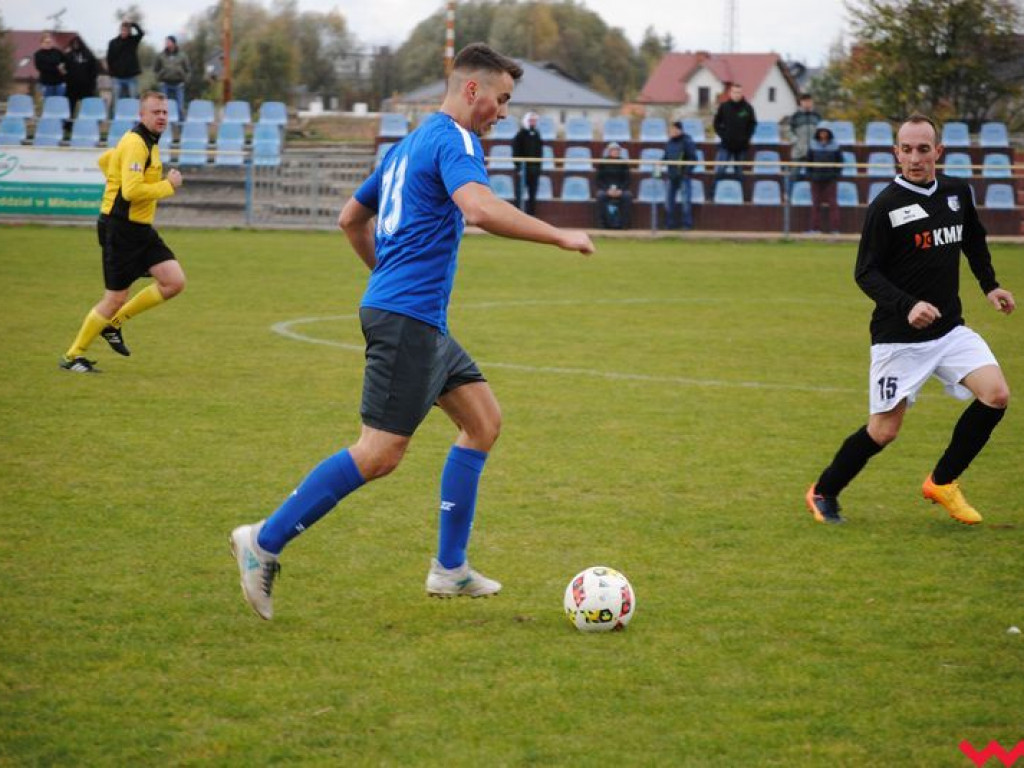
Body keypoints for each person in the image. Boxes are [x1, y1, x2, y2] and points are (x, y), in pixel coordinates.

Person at [229, 43, 594, 621]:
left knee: (483, 422)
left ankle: (450, 569)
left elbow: (350, 219)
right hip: (408, 318)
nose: (502, 112)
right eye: (500, 100)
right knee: (379, 453)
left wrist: (386, 275)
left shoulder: (405, 146)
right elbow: (477, 208)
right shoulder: (455, 139)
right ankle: (263, 541)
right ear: (471, 90)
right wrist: (558, 234)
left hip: (415, 315)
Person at [805, 114, 1015, 526]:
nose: (915, 157)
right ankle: (824, 490)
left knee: (996, 395)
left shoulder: (956, 193)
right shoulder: (886, 205)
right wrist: (907, 306)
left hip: (950, 330)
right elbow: (865, 271)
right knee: (883, 431)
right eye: (907, 149)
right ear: (896, 153)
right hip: (898, 337)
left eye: (923, 149)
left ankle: (943, 481)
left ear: (938, 151)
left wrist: (990, 286)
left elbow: (973, 239)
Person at [59, 92, 185, 374]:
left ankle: (114, 323)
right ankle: (73, 356)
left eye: (165, 112)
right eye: (156, 112)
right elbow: (131, 191)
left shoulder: (148, 142)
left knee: (174, 282)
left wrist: (115, 175)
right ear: (142, 115)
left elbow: (106, 160)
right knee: (114, 297)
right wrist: (168, 186)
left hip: (140, 229)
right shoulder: (136, 143)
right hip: (121, 228)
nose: (162, 116)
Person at [712, 82, 756, 188]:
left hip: (741, 146)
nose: (737, 94)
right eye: (735, 92)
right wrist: (723, 135)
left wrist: (746, 137)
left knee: (739, 172)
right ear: (730, 93)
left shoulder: (748, 108)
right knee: (720, 170)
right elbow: (716, 123)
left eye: (739, 92)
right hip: (726, 145)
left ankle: (741, 196)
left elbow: (752, 124)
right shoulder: (724, 107)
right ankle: (713, 194)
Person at [805, 125, 843, 234]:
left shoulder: (835, 146)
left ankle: (835, 229)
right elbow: (808, 162)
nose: (823, 134)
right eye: (821, 132)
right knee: (815, 204)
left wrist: (836, 175)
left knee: (833, 204)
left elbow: (839, 162)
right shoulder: (812, 145)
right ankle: (814, 229)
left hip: (830, 179)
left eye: (825, 132)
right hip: (816, 178)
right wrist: (810, 175)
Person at [664, 120, 697, 230]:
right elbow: (666, 157)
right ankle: (669, 224)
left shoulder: (687, 141)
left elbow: (693, 159)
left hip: (683, 176)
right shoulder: (669, 142)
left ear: (679, 130)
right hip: (671, 176)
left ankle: (687, 225)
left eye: (673, 129)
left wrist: (686, 172)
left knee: (685, 202)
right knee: (669, 201)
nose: (671, 131)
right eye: (670, 129)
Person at [511, 110, 543, 215]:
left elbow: (540, 153)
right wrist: (519, 167)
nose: (533, 123)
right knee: (520, 195)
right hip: (523, 170)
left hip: (534, 171)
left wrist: (538, 169)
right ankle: (517, 216)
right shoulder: (520, 135)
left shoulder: (537, 135)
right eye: (531, 120)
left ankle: (531, 216)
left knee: (532, 195)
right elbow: (515, 153)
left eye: (534, 121)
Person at [595, 142, 633, 229]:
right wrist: (607, 190)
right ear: (609, 151)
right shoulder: (603, 162)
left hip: (620, 189)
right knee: (600, 195)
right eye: (613, 150)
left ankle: (625, 225)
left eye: (617, 150)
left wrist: (621, 190)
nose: (615, 152)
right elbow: (599, 180)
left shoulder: (623, 163)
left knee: (627, 196)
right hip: (606, 189)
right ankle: (602, 225)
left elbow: (627, 179)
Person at [788, 93, 821, 191]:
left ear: (812, 102)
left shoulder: (817, 116)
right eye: (805, 101)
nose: (807, 103)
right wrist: (795, 141)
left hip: (814, 152)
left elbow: (822, 131)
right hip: (798, 151)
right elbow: (789, 131)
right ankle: (789, 195)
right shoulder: (795, 116)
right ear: (801, 103)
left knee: (814, 176)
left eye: (809, 101)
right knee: (793, 174)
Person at [107, 20, 145, 100]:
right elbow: (109, 59)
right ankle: (117, 113)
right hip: (117, 78)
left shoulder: (133, 41)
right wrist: (111, 73)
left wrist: (133, 24)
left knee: (133, 100)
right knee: (117, 101)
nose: (124, 32)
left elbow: (141, 33)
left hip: (131, 78)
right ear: (120, 30)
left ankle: (133, 113)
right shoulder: (113, 42)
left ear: (129, 31)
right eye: (123, 30)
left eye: (126, 30)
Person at [64, 36, 100, 120]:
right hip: (72, 87)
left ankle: (88, 123)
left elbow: (94, 69)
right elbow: (64, 69)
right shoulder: (68, 55)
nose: (76, 45)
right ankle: (69, 125)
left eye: (77, 43)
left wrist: (92, 83)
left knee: (87, 107)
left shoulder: (88, 54)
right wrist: (67, 80)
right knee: (70, 106)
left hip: (86, 87)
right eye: (74, 44)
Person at [154, 36, 190, 119]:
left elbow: (188, 70)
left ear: (174, 43)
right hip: (165, 84)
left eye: (169, 42)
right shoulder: (161, 55)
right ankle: (163, 127)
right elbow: (156, 69)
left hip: (178, 84)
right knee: (163, 107)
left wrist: (184, 81)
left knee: (180, 107)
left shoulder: (182, 55)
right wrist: (159, 80)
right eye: (166, 42)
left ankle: (181, 127)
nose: (167, 44)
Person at [34, 32, 66, 99]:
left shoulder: (57, 52)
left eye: (50, 42)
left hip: (59, 82)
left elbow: (65, 61)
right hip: (46, 83)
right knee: (48, 102)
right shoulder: (38, 54)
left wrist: (63, 67)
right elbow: (40, 67)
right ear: (41, 43)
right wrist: (57, 68)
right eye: (46, 42)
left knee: (60, 102)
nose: (48, 44)